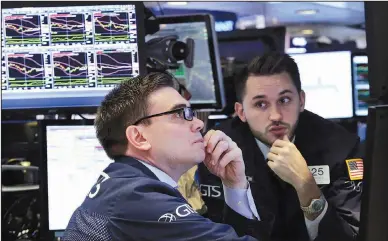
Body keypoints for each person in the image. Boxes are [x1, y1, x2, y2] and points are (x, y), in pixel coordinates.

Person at [62, 72, 261, 241]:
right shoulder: (136, 197)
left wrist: (234, 186)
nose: (199, 124)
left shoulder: (123, 182)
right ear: (139, 137)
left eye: (190, 112)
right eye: (179, 114)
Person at [198, 52, 363, 241]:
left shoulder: (341, 148)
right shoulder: (218, 150)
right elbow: (217, 231)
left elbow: (352, 236)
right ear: (241, 112)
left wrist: (307, 186)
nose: (275, 115)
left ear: (301, 101)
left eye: (284, 100)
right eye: (261, 104)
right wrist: (235, 190)